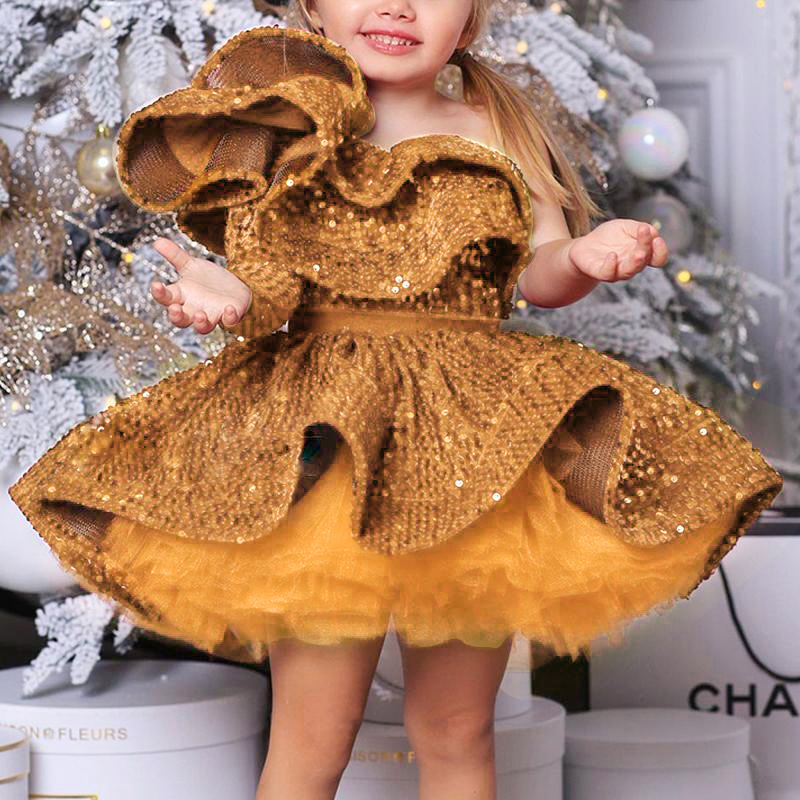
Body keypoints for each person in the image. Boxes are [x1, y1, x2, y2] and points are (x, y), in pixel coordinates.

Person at [9, 2, 783, 799]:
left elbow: (539, 270)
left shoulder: (498, 127)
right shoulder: (293, 128)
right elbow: (267, 288)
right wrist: (227, 296)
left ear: (471, 17)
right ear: (313, 7)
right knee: (314, 732)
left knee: (456, 728)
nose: (397, 6)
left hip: (472, 453)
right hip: (329, 453)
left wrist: (582, 258)